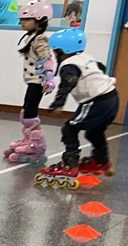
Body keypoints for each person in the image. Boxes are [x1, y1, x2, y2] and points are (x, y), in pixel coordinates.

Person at [39, 27, 119, 183]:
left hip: (96, 101)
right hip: (112, 98)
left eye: (55, 51)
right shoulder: (86, 57)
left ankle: (69, 165)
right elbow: (100, 67)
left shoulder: (69, 65)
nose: (54, 55)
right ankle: (101, 160)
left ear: (62, 50)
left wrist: (59, 102)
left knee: (69, 128)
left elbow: (69, 82)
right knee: (94, 132)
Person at [3, 1, 54, 164]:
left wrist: (49, 78)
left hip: (37, 83)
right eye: (21, 20)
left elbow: (46, 59)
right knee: (26, 114)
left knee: (30, 116)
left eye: (27, 19)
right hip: (32, 82)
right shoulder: (31, 37)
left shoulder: (40, 39)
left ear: (39, 20)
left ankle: (38, 147)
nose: (22, 22)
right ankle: (28, 140)